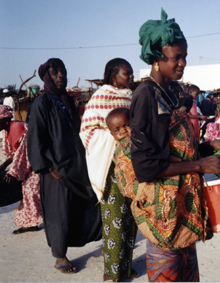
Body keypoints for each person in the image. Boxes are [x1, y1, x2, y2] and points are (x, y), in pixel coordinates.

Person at [129, 8, 220, 282]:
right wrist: (201, 165)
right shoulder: (145, 95)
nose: (182, 63)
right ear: (156, 59)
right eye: (175, 58)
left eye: (184, 57)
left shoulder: (172, 92)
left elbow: (175, 152)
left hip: (184, 208)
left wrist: (209, 146)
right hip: (163, 212)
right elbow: (146, 166)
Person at [27, 58, 102, 274]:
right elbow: (35, 139)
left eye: (63, 71)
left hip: (76, 165)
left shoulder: (67, 101)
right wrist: (48, 168)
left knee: (84, 205)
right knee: (58, 212)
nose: (60, 75)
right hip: (55, 170)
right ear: (46, 76)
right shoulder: (42, 104)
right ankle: (60, 256)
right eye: (55, 72)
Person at [79, 58, 139, 282]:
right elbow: (87, 132)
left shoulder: (132, 97)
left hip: (132, 165)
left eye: (131, 73)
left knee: (132, 217)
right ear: (114, 75)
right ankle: (110, 272)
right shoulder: (99, 97)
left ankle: (126, 266)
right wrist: (114, 137)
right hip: (110, 167)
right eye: (127, 73)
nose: (131, 77)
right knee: (114, 219)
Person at [0, 105, 42, 234]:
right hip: (30, 163)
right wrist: (2, 167)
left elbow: (24, 153)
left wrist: (14, 172)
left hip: (39, 162)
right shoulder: (6, 131)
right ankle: (30, 223)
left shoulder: (19, 128)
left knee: (30, 190)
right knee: (26, 192)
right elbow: (14, 154)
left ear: (5, 119)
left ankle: (33, 222)